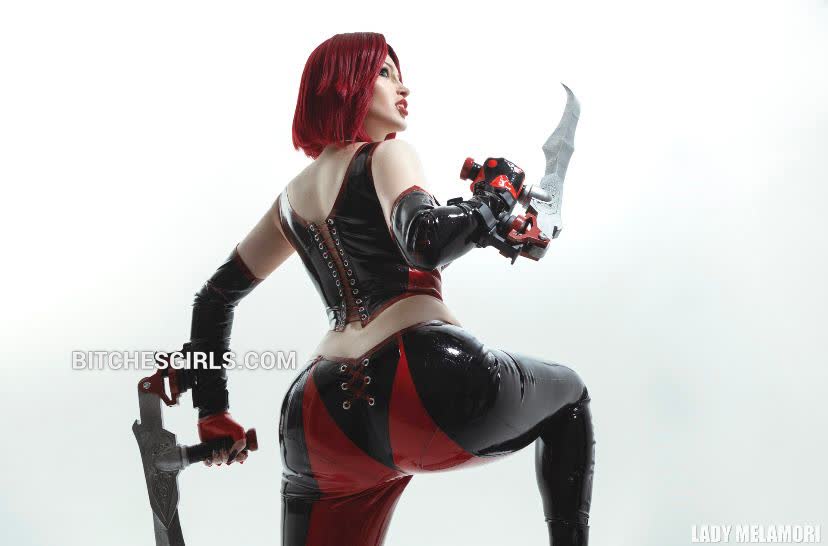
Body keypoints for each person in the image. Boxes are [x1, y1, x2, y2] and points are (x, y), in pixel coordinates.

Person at [178, 32, 595, 546]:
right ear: (343, 83)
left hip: (318, 414)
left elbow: (214, 298)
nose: (403, 87)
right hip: (421, 379)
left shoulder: (289, 200)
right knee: (569, 395)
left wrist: (213, 410)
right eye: (384, 72)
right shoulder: (388, 156)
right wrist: (491, 200)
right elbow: (424, 241)